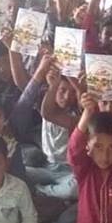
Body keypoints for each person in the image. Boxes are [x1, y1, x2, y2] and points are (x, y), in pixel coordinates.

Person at [25, 63, 79, 200]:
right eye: (62, 90)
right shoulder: (46, 102)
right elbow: (46, 110)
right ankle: (53, 190)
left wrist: (78, 87)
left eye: (73, 92)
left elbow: (48, 114)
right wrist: (53, 85)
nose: (67, 97)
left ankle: (44, 191)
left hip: (68, 171)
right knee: (19, 172)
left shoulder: (76, 117)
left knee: (75, 188)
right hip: (47, 166)